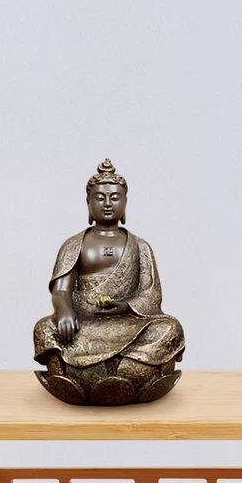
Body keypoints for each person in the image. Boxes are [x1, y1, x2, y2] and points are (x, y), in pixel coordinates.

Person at [33, 160, 184, 404]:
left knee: (170, 329)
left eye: (114, 198)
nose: (106, 204)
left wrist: (126, 306)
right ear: (88, 203)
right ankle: (127, 372)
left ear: (125, 204)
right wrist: (65, 311)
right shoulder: (74, 244)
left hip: (129, 323)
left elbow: (151, 293)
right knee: (44, 328)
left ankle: (101, 373)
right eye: (99, 198)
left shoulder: (140, 246)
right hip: (84, 325)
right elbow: (61, 290)